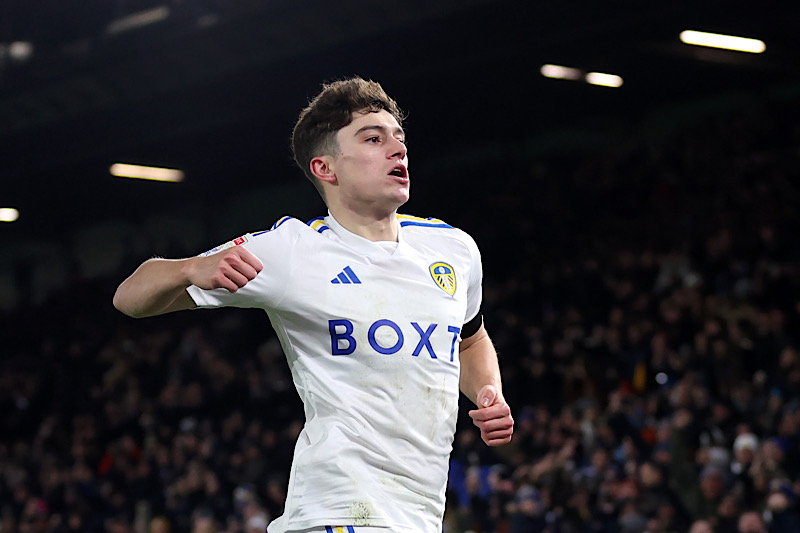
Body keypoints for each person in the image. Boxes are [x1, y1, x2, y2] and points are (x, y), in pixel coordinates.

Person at [113, 77, 514, 533]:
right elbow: (129, 298)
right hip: (338, 511)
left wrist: (488, 391)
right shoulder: (293, 251)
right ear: (325, 168)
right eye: (373, 139)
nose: (397, 150)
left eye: (398, 138)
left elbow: (470, 338)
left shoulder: (454, 249)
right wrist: (189, 268)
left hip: (418, 516)